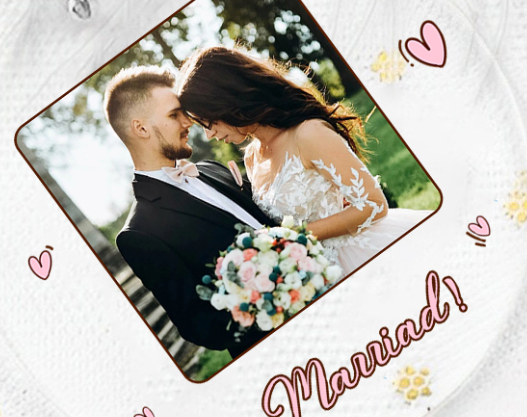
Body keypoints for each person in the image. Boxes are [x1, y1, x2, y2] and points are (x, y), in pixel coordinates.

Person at [175, 45, 428, 282]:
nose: (209, 134)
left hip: (363, 255)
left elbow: (374, 205)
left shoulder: (307, 134)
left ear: (227, 101)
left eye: (208, 121)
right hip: (317, 275)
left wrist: (291, 238)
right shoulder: (252, 157)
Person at [104, 66, 274, 354]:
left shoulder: (211, 169)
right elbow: (198, 323)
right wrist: (275, 306)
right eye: (174, 115)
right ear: (141, 128)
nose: (189, 122)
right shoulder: (139, 233)